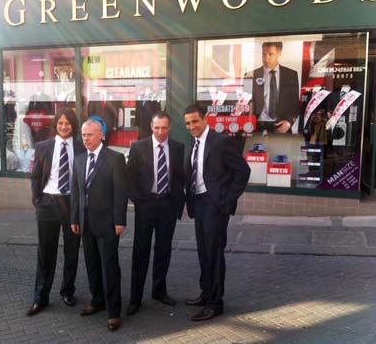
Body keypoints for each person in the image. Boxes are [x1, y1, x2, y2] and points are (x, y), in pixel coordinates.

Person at [183, 104, 250, 321]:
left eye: (195, 121)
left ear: (205, 120)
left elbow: (243, 171)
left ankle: (215, 303)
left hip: (215, 206)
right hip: (198, 203)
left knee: (214, 254)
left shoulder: (221, 142)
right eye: (187, 123)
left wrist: (227, 200)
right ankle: (206, 293)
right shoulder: (192, 144)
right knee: (203, 252)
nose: (191, 126)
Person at [70, 119, 128, 331]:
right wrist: (74, 218)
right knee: (92, 264)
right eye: (83, 135)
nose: (85, 139)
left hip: (108, 224)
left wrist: (120, 220)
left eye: (90, 135)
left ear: (101, 135)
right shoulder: (78, 160)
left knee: (110, 266)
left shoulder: (115, 159)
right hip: (85, 223)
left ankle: (113, 311)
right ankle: (97, 300)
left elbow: (121, 192)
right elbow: (76, 192)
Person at [126, 112, 185, 316]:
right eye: (157, 127)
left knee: (163, 250)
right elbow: (129, 177)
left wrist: (178, 202)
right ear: (151, 126)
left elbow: (179, 177)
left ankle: (159, 291)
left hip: (167, 205)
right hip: (146, 205)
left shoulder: (177, 148)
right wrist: (139, 201)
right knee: (140, 252)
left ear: (169, 128)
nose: (160, 132)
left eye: (164, 128)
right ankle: (135, 298)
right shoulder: (138, 147)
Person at [27, 108, 85, 316]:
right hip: (48, 203)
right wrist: (38, 200)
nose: (63, 126)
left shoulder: (81, 147)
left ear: (73, 126)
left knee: (72, 250)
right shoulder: (43, 146)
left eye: (67, 123)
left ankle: (68, 291)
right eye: (60, 123)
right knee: (45, 252)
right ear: (55, 125)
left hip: (72, 204)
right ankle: (40, 297)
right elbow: (35, 176)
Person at [246, 41, 299, 133]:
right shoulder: (250, 75)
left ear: (279, 53)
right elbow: (246, 103)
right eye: (264, 54)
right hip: (256, 126)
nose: (267, 58)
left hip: (281, 125)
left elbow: (294, 104)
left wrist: (288, 122)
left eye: (271, 54)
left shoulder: (291, 75)